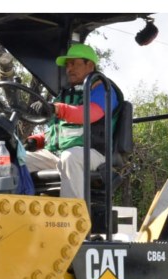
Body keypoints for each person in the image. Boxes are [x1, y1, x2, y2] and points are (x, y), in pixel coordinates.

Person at [22, 42, 121, 200]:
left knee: (70, 157)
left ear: (89, 64)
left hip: (93, 153)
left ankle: (72, 220)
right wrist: (37, 141)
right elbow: (59, 130)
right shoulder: (66, 94)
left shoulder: (102, 89)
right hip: (58, 154)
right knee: (19, 160)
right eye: (67, 65)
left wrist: (57, 108)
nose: (69, 69)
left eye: (73, 63)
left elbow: (90, 114)